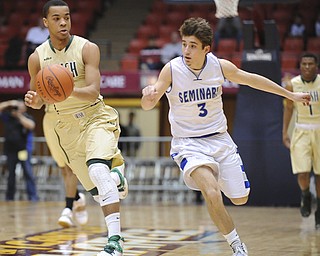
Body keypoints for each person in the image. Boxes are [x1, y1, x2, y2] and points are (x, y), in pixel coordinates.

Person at [141, 17, 310, 256]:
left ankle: (215, 177)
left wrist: (290, 96)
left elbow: (252, 80)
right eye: (184, 44)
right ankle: (237, 246)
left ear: (206, 49)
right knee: (212, 192)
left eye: (193, 46)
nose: (186, 51)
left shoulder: (219, 66)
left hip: (219, 140)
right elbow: (150, 101)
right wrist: (148, 96)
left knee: (240, 199)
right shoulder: (172, 69)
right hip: (188, 144)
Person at [24, 1, 127, 255]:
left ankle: (114, 242)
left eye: (67, 18)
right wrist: (35, 100)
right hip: (66, 128)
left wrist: (66, 89)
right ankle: (119, 178)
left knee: (98, 171)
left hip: (95, 118)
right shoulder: (37, 58)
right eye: (57, 19)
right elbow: (38, 99)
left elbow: (93, 92)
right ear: (46, 23)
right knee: (97, 191)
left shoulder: (87, 49)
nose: (63, 23)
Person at [282, 52, 320, 230]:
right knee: (302, 173)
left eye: (310, 64)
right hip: (302, 129)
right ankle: (306, 195)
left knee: (319, 175)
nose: (307, 67)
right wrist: (284, 132)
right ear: (300, 66)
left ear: (316, 66)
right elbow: (289, 109)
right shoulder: (292, 84)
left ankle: (319, 208)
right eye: (304, 64)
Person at [0, 99, 38, 201]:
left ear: (25, 108)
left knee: (28, 173)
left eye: (20, 106)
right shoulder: (8, 117)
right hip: (10, 151)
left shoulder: (26, 117)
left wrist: (19, 116)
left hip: (23, 150)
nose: (18, 108)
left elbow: (31, 125)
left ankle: (33, 197)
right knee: (11, 175)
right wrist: (9, 103)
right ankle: (9, 198)